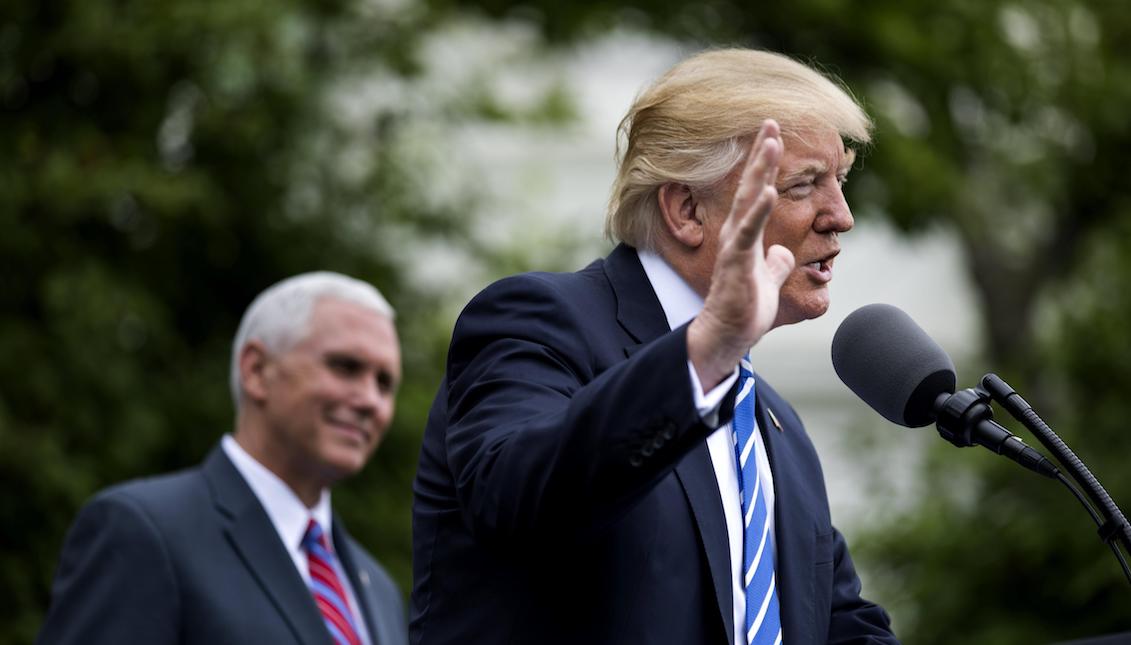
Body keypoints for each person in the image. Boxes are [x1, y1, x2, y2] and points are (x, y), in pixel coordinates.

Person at [410, 49, 898, 644]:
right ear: (687, 210)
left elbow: (839, 626)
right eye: (804, 184)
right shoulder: (535, 323)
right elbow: (518, 500)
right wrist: (706, 351)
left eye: (840, 181)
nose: (841, 217)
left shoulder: (776, 425)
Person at [39, 272, 409, 645]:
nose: (370, 402)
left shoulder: (379, 590)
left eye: (385, 384)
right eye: (345, 367)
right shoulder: (144, 533)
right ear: (257, 370)